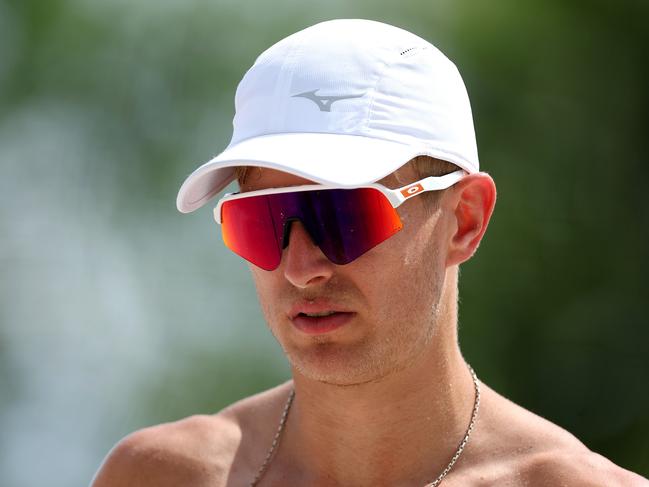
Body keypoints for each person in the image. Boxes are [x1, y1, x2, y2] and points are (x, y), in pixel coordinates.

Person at [92, 19, 647, 487]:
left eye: (343, 216)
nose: (301, 268)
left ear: (464, 219)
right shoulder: (160, 476)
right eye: (261, 221)